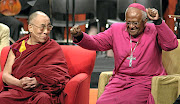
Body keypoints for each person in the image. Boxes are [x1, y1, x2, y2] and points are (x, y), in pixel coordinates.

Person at [70, 3, 178, 104]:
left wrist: (158, 22)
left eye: (135, 23)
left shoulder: (154, 30)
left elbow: (171, 44)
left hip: (144, 82)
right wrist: (80, 36)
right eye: (128, 22)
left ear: (145, 21)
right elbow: (97, 42)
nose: (131, 26)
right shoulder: (116, 29)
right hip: (119, 81)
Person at [0, 11, 71, 104]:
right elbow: (5, 75)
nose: (46, 32)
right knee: (2, 98)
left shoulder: (53, 47)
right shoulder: (17, 47)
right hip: (19, 90)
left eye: (48, 27)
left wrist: (39, 81)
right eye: (42, 27)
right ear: (30, 28)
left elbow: (60, 74)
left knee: (43, 98)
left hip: (42, 90)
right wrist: (20, 83)